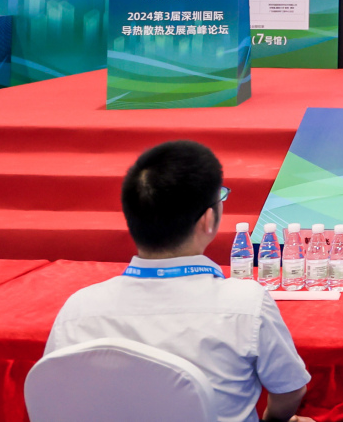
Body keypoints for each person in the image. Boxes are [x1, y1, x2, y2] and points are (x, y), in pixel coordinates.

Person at [45, 141, 314, 422]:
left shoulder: (77, 309)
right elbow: (290, 391)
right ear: (207, 220)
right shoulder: (247, 304)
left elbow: (53, 397)